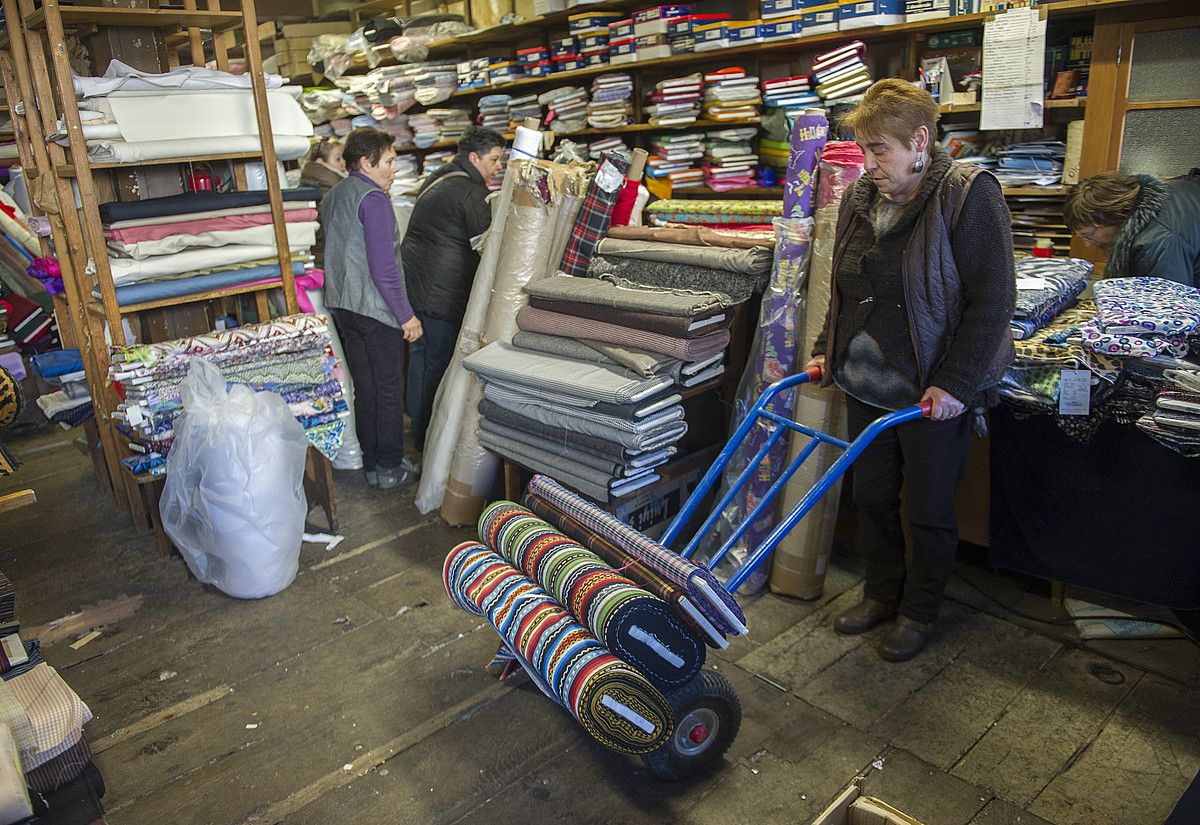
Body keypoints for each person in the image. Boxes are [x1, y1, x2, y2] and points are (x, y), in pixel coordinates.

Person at [805, 78, 1016, 662]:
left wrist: (954, 383)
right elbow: (842, 287)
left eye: (880, 151)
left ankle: (920, 612)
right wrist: (828, 347)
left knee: (927, 510)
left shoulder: (967, 194)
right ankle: (881, 594)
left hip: (931, 389)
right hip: (867, 382)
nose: (868, 164)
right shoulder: (858, 199)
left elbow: (994, 302)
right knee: (872, 498)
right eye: (864, 150)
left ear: (920, 140)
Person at [322, 127, 423, 490]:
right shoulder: (374, 200)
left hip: (343, 305)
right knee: (389, 388)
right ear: (367, 162)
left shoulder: (335, 195)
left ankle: (372, 465)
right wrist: (406, 316)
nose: (395, 169)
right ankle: (390, 466)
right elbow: (383, 267)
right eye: (390, 161)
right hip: (375, 307)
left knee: (366, 387)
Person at [402, 125, 505, 449]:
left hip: (418, 288)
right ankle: (427, 438)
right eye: (494, 160)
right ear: (474, 158)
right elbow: (488, 246)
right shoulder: (470, 192)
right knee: (435, 366)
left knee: (421, 362)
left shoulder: (440, 178)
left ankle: (418, 434)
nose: (498, 167)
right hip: (440, 295)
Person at [1065, 169, 1200, 286]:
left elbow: (1167, 306)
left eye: (1088, 235)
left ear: (1111, 218)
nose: (1087, 244)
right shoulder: (1161, 192)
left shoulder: (1159, 241)